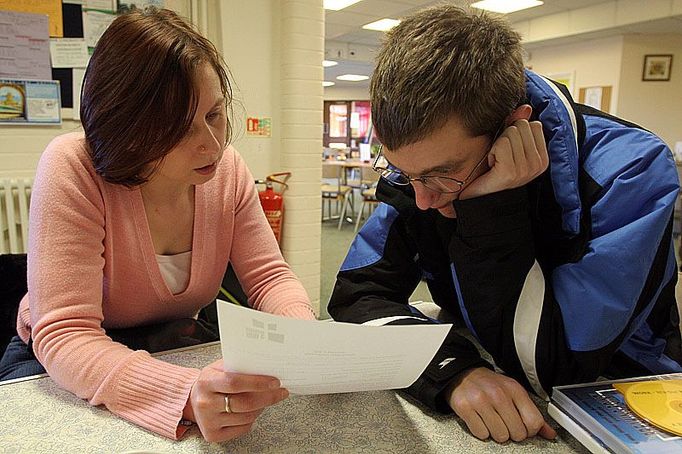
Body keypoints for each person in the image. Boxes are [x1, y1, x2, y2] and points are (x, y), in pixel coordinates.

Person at [328, 4, 681, 444]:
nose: (422, 198)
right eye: (405, 172)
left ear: (515, 128)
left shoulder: (631, 169)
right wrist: (452, 370)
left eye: (443, 174)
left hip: (622, 404)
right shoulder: (424, 174)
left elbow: (554, 369)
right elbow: (357, 295)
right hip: (489, 378)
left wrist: (491, 203)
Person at [0, 7, 316, 442]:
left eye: (215, 114)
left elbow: (269, 278)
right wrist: (184, 393)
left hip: (167, 340)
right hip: (57, 359)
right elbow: (66, 333)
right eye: (178, 129)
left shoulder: (229, 171)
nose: (212, 144)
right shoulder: (73, 166)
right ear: (127, 130)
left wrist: (303, 336)